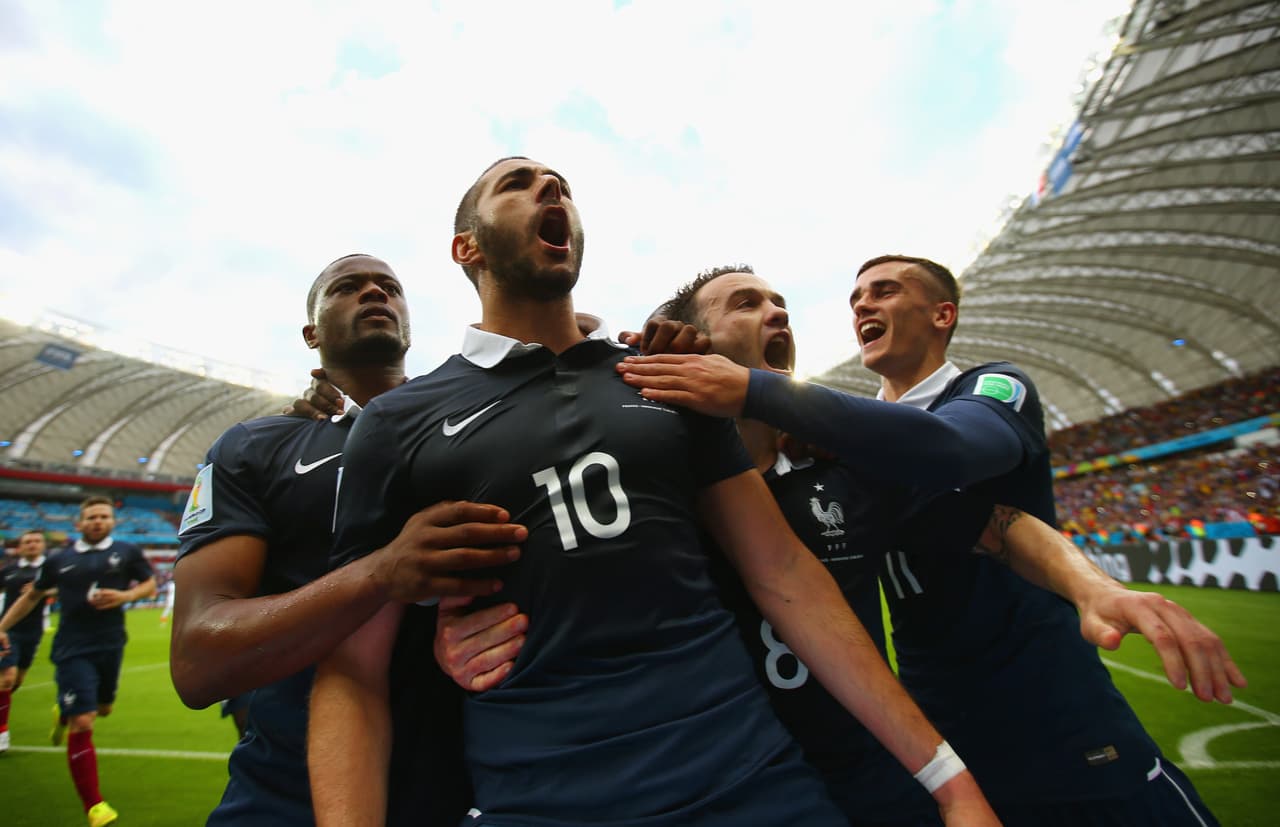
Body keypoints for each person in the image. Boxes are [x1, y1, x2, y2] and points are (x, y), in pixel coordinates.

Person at [309, 158, 999, 827]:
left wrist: (950, 781)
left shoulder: (665, 377)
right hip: (537, 800)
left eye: (562, 186)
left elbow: (785, 574)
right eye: (516, 184)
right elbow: (354, 668)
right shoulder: (396, 423)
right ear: (467, 246)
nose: (551, 187)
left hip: (750, 784)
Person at [616, 255, 1243, 825]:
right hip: (893, 737)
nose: (780, 311)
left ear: (943, 314)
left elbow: (987, 510)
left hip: (1044, 720)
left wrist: (1094, 586)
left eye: (885, 290)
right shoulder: (671, 476)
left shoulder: (957, 407)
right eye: (747, 304)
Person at [170, 253, 524, 826]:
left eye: (389, 287)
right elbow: (197, 661)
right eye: (347, 288)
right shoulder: (253, 449)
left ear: (408, 322)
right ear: (311, 334)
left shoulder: (475, 425)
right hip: (286, 797)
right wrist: (380, 574)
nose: (374, 294)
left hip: (472, 789)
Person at [0, 497, 156, 827]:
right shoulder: (59, 560)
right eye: (91, 517)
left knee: (103, 709)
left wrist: (126, 597)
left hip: (111, 644)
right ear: (78, 524)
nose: (98, 521)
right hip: (72, 648)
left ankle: (64, 709)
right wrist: (1, 628)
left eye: (103, 516)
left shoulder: (128, 552)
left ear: (113, 522)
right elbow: (31, 596)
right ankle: (95, 806)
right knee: (84, 722)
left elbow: (150, 585)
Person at [0, 529, 50, 753]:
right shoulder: (8, 571)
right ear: (20, 547)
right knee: (6, 679)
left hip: (33, 632)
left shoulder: (51, 570)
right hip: (7, 631)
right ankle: (2, 733)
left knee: (17, 681)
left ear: (43, 545)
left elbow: (70, 589)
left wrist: (45, 590)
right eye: (27, 541)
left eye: (36, 541)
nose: (32, 545)